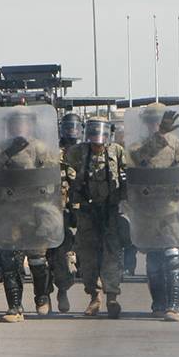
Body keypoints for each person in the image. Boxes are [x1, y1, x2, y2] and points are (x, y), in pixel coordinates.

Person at [0, 107, 63, 322]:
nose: (19, 127)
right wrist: (8, 153)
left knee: (38, 260)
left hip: (36, 211)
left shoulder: (42, 149)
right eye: (15, 123)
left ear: (31, 125)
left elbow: (55, 175)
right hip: (10, 212)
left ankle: (42, 297)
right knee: (11, 261)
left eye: (23, 122)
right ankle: (15, 307)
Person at [124, 103, 179, 321]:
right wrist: (159, 136)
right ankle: (158, 303)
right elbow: (136, 160)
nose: (154, 124)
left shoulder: (178, 146)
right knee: (154, 260)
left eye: (159, 121)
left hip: (172, 210)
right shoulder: (138, 146)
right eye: (150, 121)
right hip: (147, 211)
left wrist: (176, 193)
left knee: (173, 257)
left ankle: (174, 306)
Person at [66, 116, 125, 318]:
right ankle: (94, 297)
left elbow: (128, 174)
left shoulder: (117, 151)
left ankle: (112, 297)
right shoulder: (78, 152)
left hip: (110, 212)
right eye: (92, 131)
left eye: (100, 131)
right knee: (88, 257)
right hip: (86, 211)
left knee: (111, 255)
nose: (97, 137)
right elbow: (61, 165)